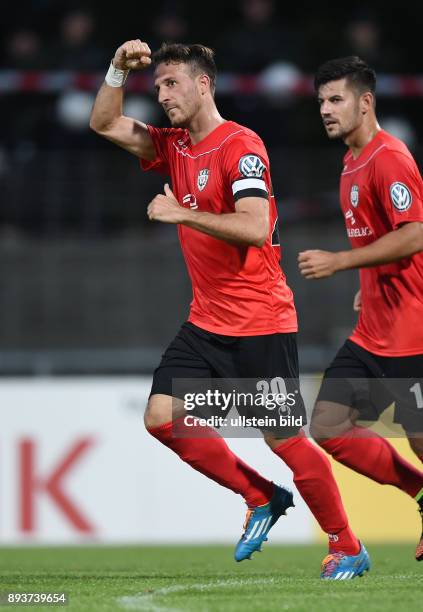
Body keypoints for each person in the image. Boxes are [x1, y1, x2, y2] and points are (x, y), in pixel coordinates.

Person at [90, 41, 370, 579]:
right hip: (206, 322)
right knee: (161, 417)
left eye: (172, 84)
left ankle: (347, 543)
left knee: (283, 437)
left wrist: (180, 213)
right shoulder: (174, 146)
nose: (163, 95)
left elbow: (255, 226)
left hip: (260, 320)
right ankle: (260, 494)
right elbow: (105, 123)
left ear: (203, 84)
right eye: (159, 86)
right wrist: (116, 71)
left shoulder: (240, 146)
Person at [298, 56, 423, 561]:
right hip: (373, 330)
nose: (326, 110)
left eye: (336, 100)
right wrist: (369, 280)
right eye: (321, 102)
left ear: (365, 102)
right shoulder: (351, 161)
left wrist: (343, 262)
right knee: (328, 425)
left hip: (412, 332)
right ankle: (420, 491)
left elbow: (415, 233)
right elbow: (387, 237)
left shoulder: (389, 157)